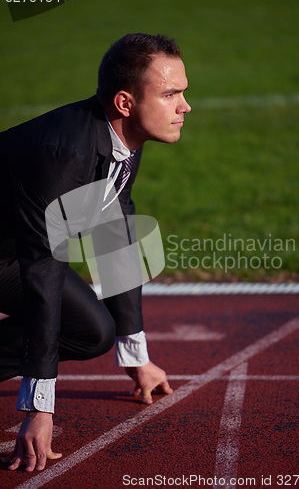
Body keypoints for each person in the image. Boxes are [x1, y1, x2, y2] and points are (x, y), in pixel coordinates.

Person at [0, 33, 191, 472]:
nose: (185, 107)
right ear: (125, 103)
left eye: (183, 92)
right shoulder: (61, 153)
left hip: (14, 250)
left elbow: (116, 234)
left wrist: (136, 356)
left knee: (93, 331)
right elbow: (43, 271)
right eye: (170, 94)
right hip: (15, 254)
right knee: (71, 316)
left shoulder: (126, 138)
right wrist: (39, 407)